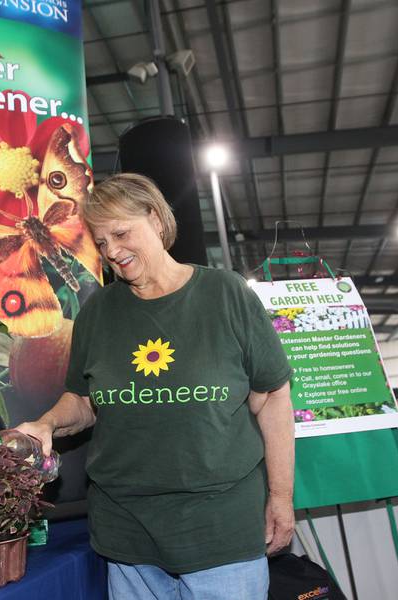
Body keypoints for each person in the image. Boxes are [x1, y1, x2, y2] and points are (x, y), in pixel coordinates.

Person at [16, 173, 294, 599]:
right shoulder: (97, 313)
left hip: (220, 531)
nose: (113, 252)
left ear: (157, 220)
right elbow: (84, 401)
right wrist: (47, 424)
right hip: (127, 537)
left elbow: (272, 398)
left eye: (122, 233)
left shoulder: (226, 294)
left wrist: (281, 497)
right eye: (102, 242)